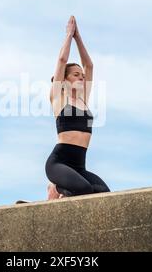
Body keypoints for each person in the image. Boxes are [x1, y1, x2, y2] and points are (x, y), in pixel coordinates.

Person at [45, 15, 110, 200]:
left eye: (82, 76)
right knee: (84, 189)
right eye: (76, 74)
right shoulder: (59, 97)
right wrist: (69, 35)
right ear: (65, 80)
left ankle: (63, 194)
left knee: (104, 195)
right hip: (59, 163)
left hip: (79, 166)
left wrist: (78, 37)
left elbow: (89, 65)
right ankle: (56, 188)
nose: (82, 77)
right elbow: (61, 60)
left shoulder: (83, 99)